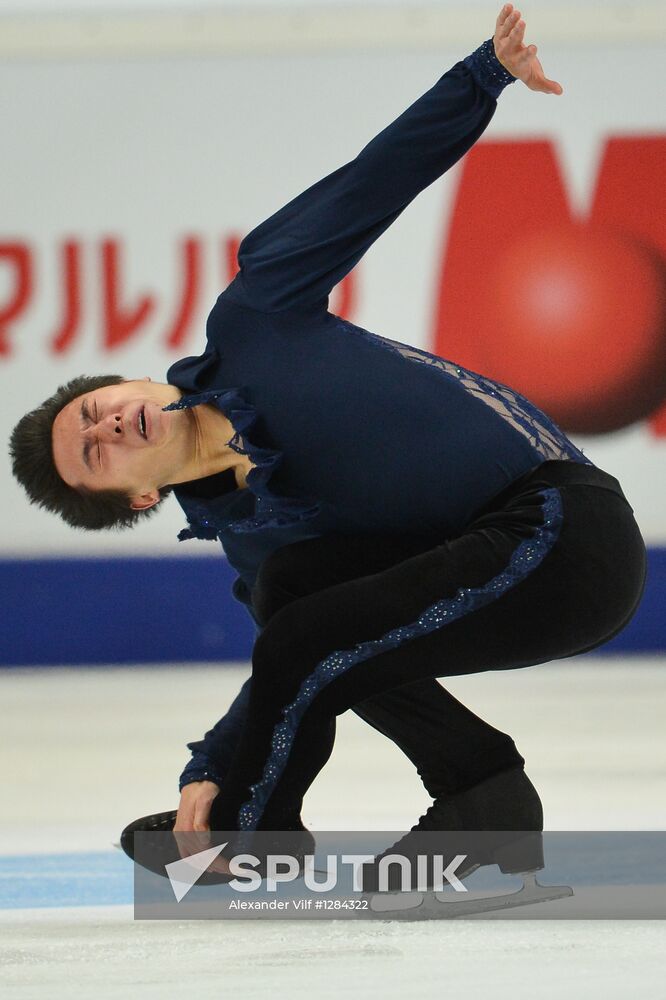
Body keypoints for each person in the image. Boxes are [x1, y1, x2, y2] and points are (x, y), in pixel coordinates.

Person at [10, 6, 646, 884]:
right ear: (134, 499)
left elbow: (369, 187)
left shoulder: (256, 318)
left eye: (97, 409)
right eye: (94, 452)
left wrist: (482, 77)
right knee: (295, 601)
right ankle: (482, 796)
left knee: (304, 626)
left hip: (566, 533)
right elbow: (287, 662)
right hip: (501, 562)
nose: (107, 425)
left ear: (132, 383)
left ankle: (255, 834)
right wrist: (209, 765)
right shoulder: (257, 537)